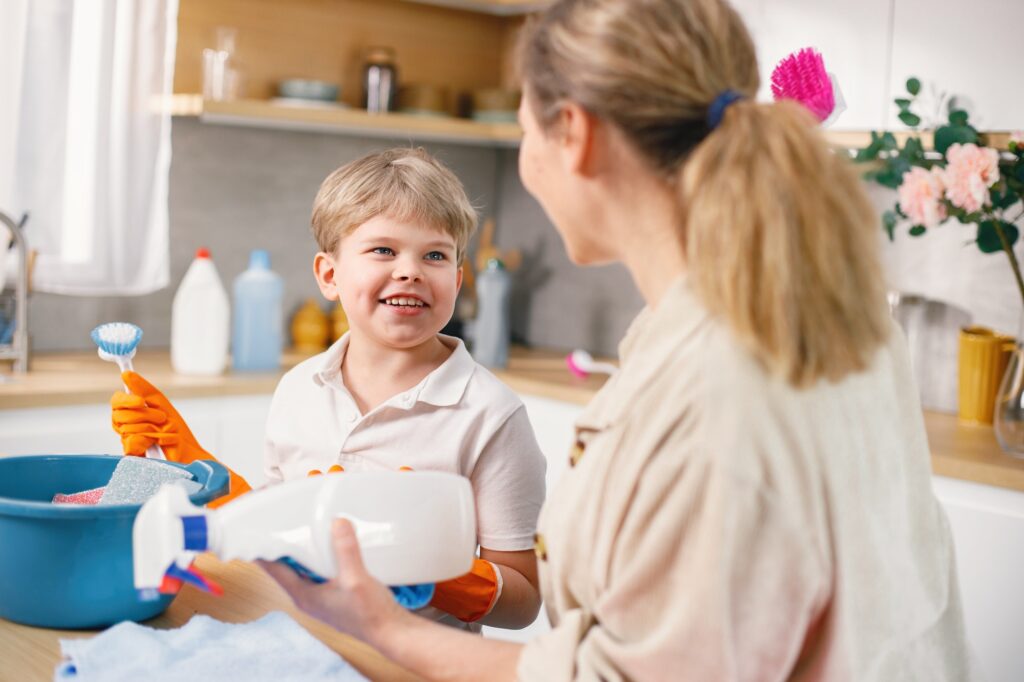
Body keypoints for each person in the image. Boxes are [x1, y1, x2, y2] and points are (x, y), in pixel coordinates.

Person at [259, 0, 975, 680]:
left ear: (575, 133)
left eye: (525, 130)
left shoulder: (717, 379)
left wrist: (387, 628)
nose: (524, 159)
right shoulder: (803, 305)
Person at [111, 147, 547, 631]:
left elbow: (524, 601)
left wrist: (427, 564)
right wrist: (199, 470)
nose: (410, 270)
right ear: (329, 274)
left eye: (435, 254)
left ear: (458, 280)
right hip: (299, 644)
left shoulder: (491, 415)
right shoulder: (299, 388)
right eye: (383, 249)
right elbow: (275, 532)